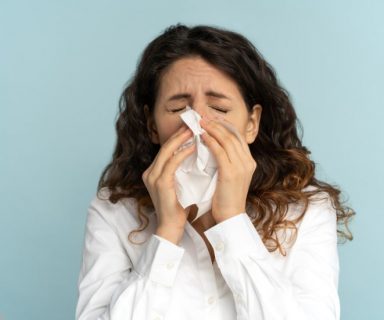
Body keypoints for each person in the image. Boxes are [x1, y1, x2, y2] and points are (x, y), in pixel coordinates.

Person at [75, 23, 354, 320]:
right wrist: (167, 233)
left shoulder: (307, 211)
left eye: (219, 109)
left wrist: (233, 221)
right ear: (151, 125)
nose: (196, 124)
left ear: (251, 124)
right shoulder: (113, 212)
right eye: (178, 109)